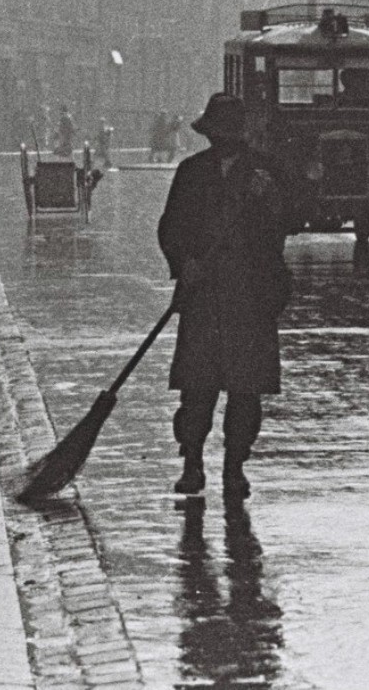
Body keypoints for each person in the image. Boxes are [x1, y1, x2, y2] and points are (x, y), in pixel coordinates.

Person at [157, 93, 292, 501]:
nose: (223, 141)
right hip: (204, 295)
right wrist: (184, 262)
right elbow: (171, 226)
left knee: (245, 390)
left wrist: (269, 199)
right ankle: (192, 462)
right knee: (198, 388)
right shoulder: (192, 172)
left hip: (250, 297)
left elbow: (285, 225)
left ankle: (235, 467)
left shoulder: (266, 174)